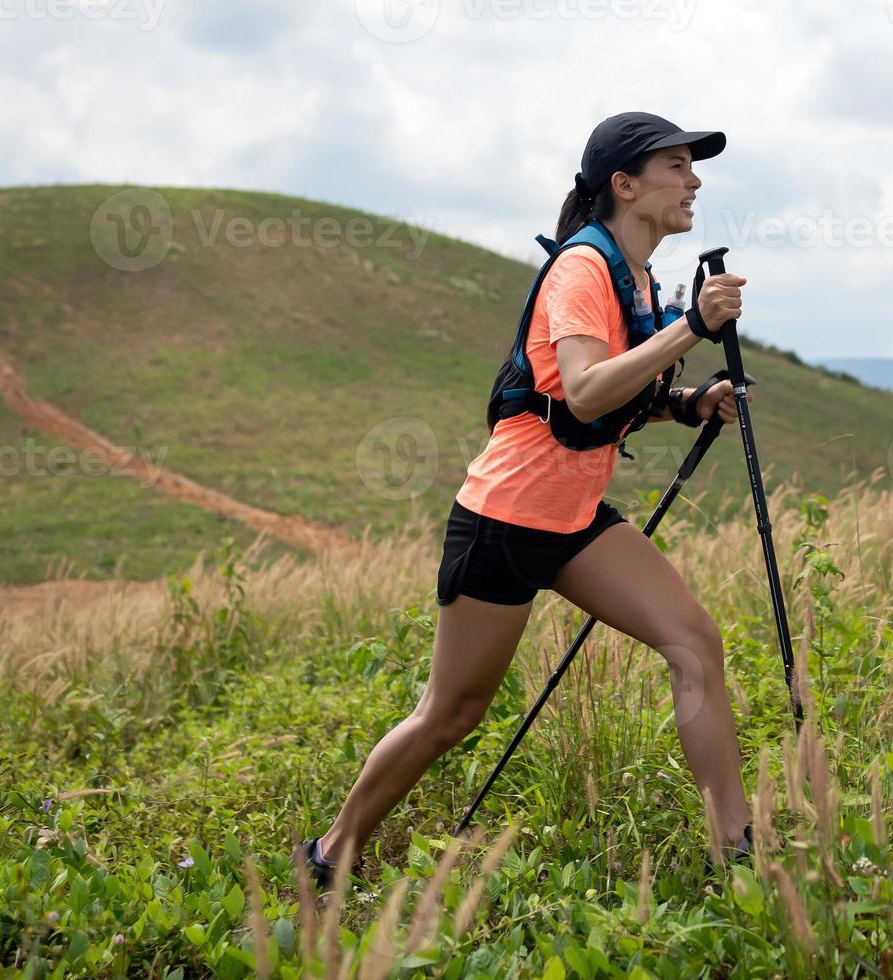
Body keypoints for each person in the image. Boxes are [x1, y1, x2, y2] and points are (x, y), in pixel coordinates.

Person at [295, 112, 756, 889]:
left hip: (573, 523)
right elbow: (579, 394)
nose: (694, 181)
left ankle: (741, 853)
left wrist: (685, 403)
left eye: (692, 166)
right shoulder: (582, 268)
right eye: (676, 166)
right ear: (625, 185)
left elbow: (616, 392)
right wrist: (692, 326)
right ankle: (329, 853)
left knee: (694, 643)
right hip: (504, 522)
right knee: (452, 713)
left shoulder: (634, 276)